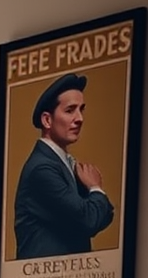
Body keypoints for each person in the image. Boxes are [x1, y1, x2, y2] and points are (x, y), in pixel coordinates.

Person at [13, 74, 114, 261]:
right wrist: (95, 188)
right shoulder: (42, 169)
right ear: (47, 120)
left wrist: (94, 201)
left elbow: (105, 215)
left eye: (81, 109)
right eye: (70, 110)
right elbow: (90, 220)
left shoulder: (61, 164)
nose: (80, 118)